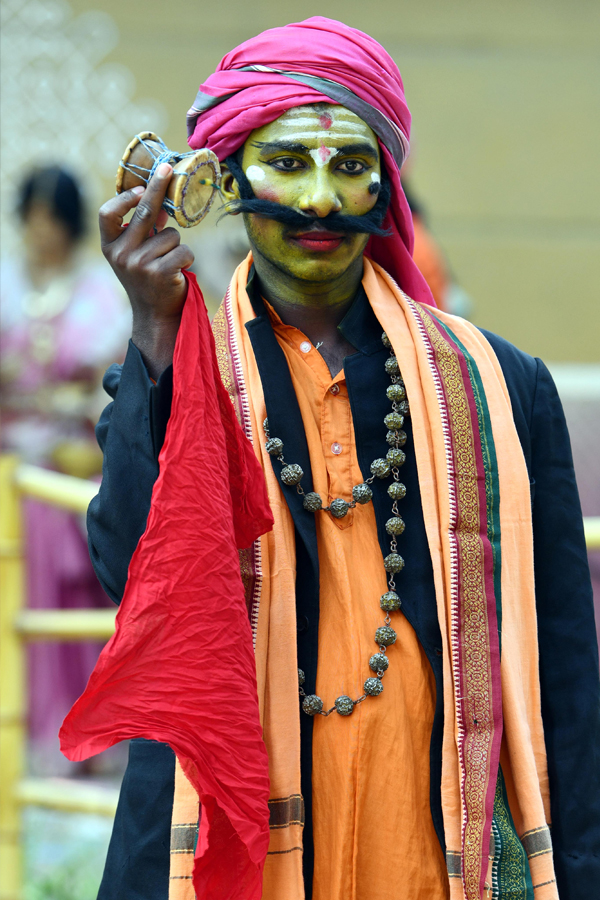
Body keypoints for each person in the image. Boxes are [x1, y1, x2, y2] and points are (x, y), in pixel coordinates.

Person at [61, 18, 599, 900]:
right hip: (235, 852)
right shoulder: (176, 374)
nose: (318, 200)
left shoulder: (502, 387)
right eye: (287, 163)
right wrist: (158, 332)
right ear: (229, 182)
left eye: (349, 165)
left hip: (435, 853)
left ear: (384, 185)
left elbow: (565, 673)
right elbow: (134, 577)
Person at [0, 166, 131, 773]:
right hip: (9, 468)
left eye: (51, 217)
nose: (41, 229)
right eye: (33, 216)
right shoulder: (6, 282)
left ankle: (84, 735)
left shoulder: (99, 294)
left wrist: (70, 403)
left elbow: (112, 388)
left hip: (71, 472)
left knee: (75, 587)